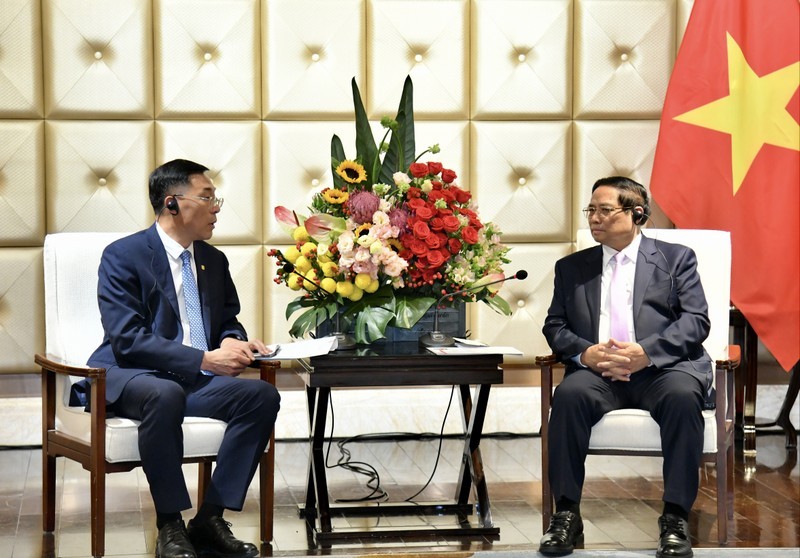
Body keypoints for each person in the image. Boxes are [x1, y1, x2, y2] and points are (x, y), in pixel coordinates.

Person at [86, 159, 281, 558]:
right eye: (207, 197)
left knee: (260, 397)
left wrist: (234, 343)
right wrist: (205, 360)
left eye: (216, 198)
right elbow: (128, 339)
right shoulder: (124, 256)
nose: (216, 208)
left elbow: (228, 322)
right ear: (173, 203)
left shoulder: (213, 260)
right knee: (164, 393)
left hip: (189, 379)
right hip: (132, 375)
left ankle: (210, 517)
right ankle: (170, 523)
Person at [539, 176, 712, 558]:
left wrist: (645, 353)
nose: (594, 218)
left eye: (604, 210)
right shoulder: (572, 267)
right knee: (567, 397)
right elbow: (555, 325)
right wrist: (586, 354)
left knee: (684, 399)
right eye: (591, 210)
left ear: (637, 214)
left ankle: (675, 516)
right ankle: (566, 514)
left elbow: (696, 321)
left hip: (663, 370)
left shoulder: (675, 258)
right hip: (598, 373)